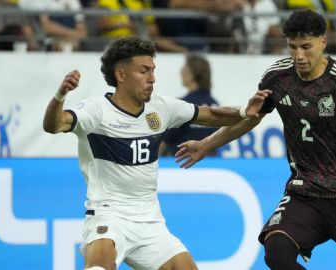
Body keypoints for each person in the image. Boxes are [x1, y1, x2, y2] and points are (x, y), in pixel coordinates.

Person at [175, 10, 336, 270]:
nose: (299, 56)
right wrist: (205, 145)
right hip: (302, 189)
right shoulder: (277, 77)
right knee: (276, 253)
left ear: (322, 42)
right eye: (292, 47)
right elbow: (251, 118)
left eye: (306, 47)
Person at [42, 36, 269, 270]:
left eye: (153, 70)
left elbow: (212, 115)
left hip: (150, 221)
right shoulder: (96, 112)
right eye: (143, 71)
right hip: (108, 215)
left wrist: (244, 110)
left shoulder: (162, 108)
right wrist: (60, 95)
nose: (152, 78)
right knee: (99, 266)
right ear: (121, 75)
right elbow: (54, 124)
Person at [160, 53, 221, 156]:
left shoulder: (182, 105)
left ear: (191, 74)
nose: (181, 72)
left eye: (184, 68)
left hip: (182, 164)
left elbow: (163, 142)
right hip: (211, 165)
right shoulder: (215, 105)